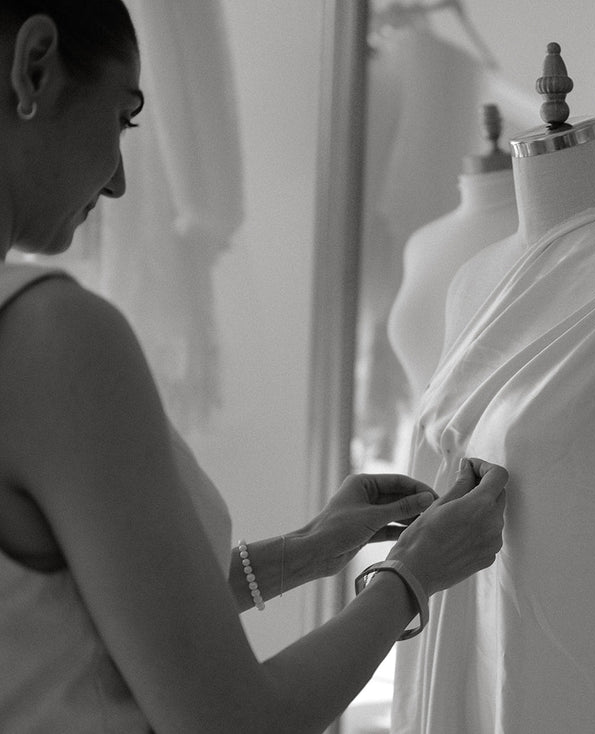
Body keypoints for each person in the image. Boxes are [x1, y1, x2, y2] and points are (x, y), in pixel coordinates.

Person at [0, 2, 507, 732]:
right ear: (35, 66)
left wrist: (309, 550)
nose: (116, 180)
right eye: (123, 117)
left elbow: (66, 623)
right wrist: (413, 576)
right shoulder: (48, 337)